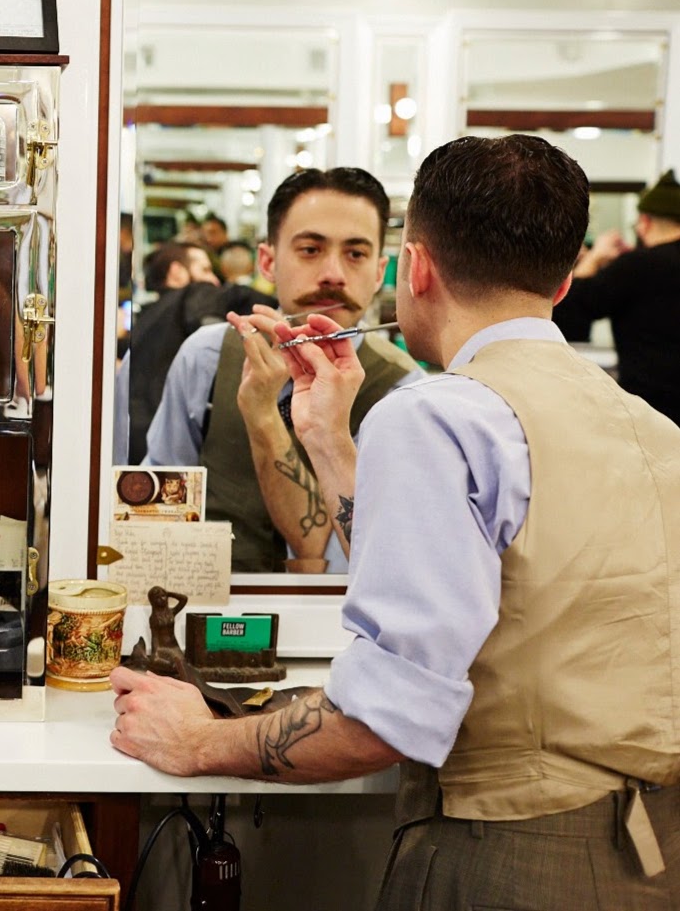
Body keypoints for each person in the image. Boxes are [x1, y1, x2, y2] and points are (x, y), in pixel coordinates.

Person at [110, 134, 680, 908]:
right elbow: (487, 564)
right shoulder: (649, 426)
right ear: (566, 273)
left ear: (410, 267)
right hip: (650, 854)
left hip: (504, 858)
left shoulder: (435, 413)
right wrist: (326, 438)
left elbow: (380, 723)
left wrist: (198, 739)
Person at [142, 167, 421, 572]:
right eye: (310, 249)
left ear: (379, 272)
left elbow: (355, 557)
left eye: (355, 254)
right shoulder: (207, 356)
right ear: (268, 261)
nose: (333, 274)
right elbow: (157, 510)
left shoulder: (400, 388)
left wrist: (264, 417)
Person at [115, 244, 277, 464]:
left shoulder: (145, 321)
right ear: (177, 273)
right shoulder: (197, 293)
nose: (215, 282)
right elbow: (208, 320)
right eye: (205, 270)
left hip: (132, 453)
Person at [553, 168, 680, 425]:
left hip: (654, 412)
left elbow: (568, 311)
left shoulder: (636, 266)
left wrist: (595, 259)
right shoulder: (636, 266)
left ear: (644, 222)